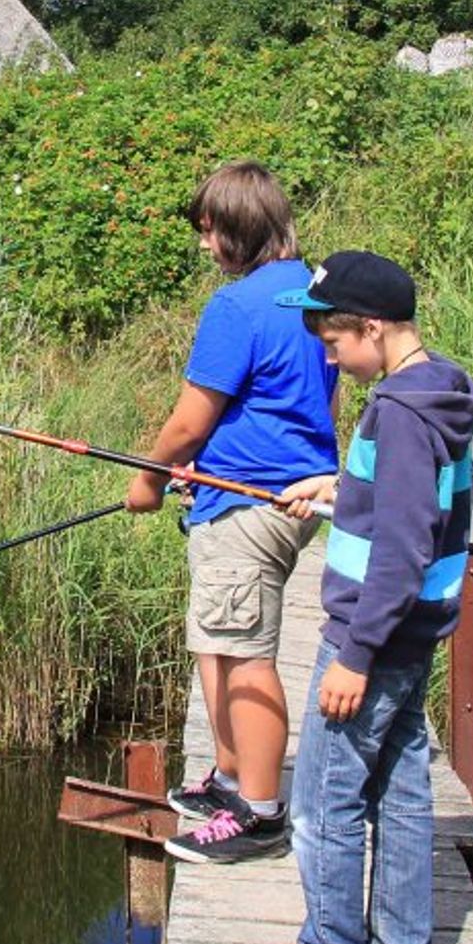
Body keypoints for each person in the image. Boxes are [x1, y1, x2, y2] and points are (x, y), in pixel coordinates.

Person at [234, 250, 473, 944]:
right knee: (402, 791)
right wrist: (341, 490)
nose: (329, 355)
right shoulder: (440, 388)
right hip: (416, 635)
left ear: (373, 328)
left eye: (335, 342)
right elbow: (414, 505)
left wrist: (356, 655)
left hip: (373, 640)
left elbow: (404, 546)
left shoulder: (398, 413)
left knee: (323, 801)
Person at [124, 162, 338, 865]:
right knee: (217, 640)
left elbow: (189, 422)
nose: (204, 247)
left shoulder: (236, 308)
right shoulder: (314, 292)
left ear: (236, 231)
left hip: (249, 507)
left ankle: (260, 814)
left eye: (209, 232)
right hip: (279, 496)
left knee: (245, 654)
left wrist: (150, 481)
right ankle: (226, 777)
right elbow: (317, 403)